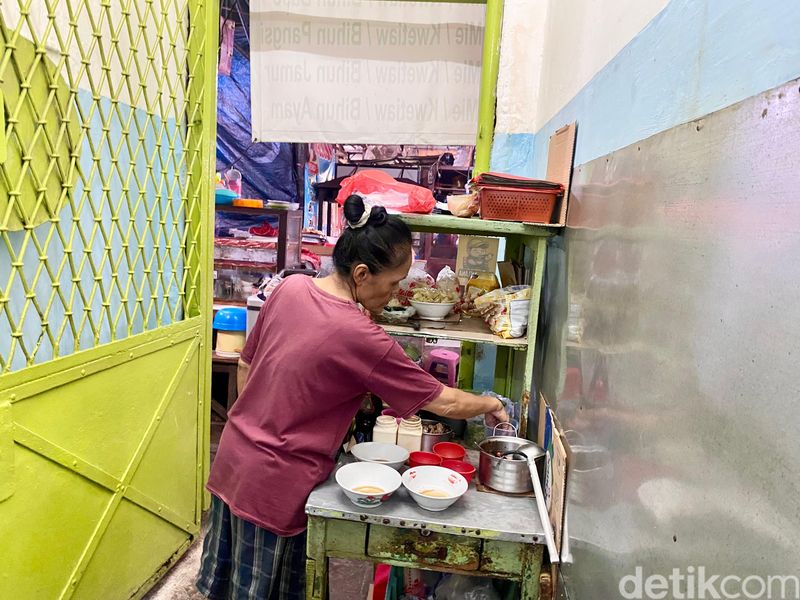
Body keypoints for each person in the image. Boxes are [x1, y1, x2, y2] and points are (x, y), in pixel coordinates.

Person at [196, 195, 509, 600]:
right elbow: (444, 402)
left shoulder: (291, 288)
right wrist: (493, 404)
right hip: (277, 486)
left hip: (235, 461)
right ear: (361, 273)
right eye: (394, 282)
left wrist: (258, 428)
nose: (397, 293)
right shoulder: (361, 336)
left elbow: (245, 364)